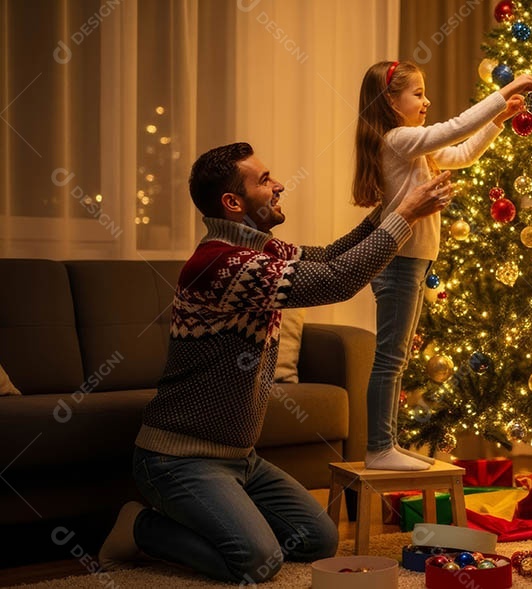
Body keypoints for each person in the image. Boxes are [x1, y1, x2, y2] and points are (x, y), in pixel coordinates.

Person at [97, 142, 453, 583]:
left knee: (318, 541)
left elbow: (328, 256)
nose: (279, 184)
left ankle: (231, 513)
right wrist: (406, 219)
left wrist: (390, 207)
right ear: (233, 202)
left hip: (241, 459)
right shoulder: (218, 265)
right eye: (264, 180)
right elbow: (336, 280)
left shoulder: (263, 251)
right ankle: (140, 527)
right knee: (254, 562)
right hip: (178, 461)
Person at [351, 60, 532, 471]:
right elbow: (453, 128)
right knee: (390, 358)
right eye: (417, 94)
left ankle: (386, 444)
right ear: (390, 101)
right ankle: (379, 447)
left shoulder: (410, 142)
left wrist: (498, 121)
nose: (427, 100)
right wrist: (503, 95)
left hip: (412, 261)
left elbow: (460, 154)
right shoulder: (399, 138)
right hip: (398, 262)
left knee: (396, 358)